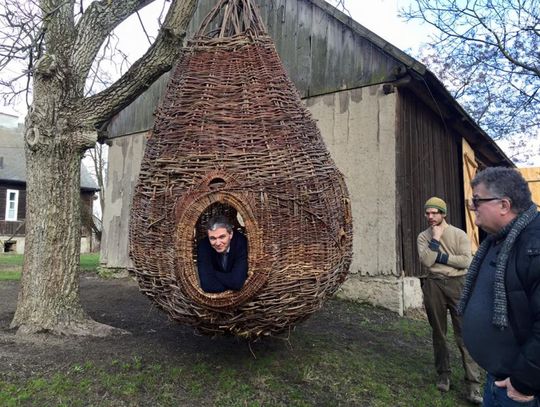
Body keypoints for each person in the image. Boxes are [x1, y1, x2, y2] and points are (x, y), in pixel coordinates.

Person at [458, 167, 540, 406]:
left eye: (477, 200)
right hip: (498, 378)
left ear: (504, 205)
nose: (472, 207)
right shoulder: (500, 238)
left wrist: (523, 381)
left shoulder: (534, 245)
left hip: (521, 390)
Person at [417, 197, 482, 404]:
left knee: (464, 334)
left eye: (434, 212)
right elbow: (427, 261)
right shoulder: (423, 237)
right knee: (439, 333)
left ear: (443, 214)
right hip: (433, 284)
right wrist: (435, 240)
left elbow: (465, 261)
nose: (430, 216)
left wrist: (440, 257)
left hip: (457, 284)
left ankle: (473, 385)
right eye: (428, 213)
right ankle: (443, 375)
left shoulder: (459, 234)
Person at [197, 215, 248, 293]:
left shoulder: (241, 243)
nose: (218, 243)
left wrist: (213, 273)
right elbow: (207, 285)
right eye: (213, 238)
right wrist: (231, 280)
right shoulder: (204, 246)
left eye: (222, 237)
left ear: (230, 234)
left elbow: (237, 283)